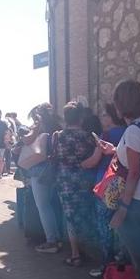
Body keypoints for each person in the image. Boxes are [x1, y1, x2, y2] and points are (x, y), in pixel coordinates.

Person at [100, 80, 140, 279]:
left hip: (134, 204)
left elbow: (133, 171)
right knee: (138, 256)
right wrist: (113, 150)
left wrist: (123, 207)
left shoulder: (133, 131)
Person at [55, 101, 100, 266]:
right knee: (87, 213)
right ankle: (90, 250)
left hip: (65, 179)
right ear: (80, 118)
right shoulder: (88, 136)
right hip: (84, 178)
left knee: (70, 217)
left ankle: (75, 254)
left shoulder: (58, 136)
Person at [89, 103, 127, 277]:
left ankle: (106, 265)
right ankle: (121, 264)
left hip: (105, 183)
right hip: (124, 185)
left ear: (111, 116)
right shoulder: (127, 133)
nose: (102, 118)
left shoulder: (106, 135)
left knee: (104, 226)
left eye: (104, 115)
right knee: (120, 227)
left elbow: (96, 159)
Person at [23, 103, 63, 253]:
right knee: (51, 205)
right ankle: (56, 238)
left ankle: (52, 241)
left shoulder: (40, 127)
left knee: (43, 206)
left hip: (40, 170)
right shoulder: (57, 126)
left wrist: (35, 127)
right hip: (55, 168)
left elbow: (26, 141)